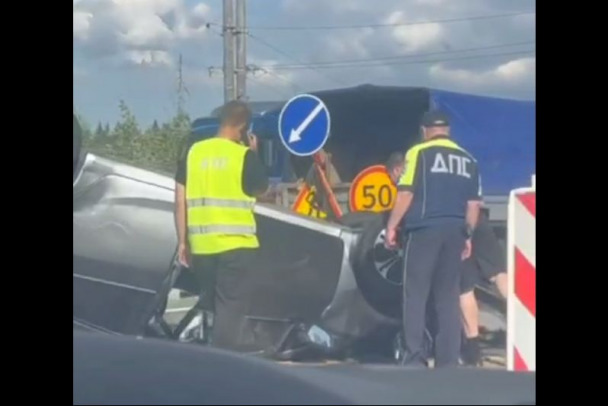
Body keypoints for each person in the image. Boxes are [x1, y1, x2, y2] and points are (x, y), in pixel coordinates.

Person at [385, 151, 506, 366]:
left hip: (453, 228)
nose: (394, 182)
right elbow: (473, 200)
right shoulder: (463, 162)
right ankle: (527, 325)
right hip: (476, 219)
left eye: (392, 178)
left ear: (396, 170)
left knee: (461, 288)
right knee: (498, 273)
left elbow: (409, 200)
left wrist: (392, 227)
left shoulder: (417, 171)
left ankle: (472, 349)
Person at [385, 110, 482, 368]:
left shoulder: (418, 153)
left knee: (415, 294)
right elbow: (473, 204)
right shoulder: (468, 159)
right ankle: (448, 360)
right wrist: (468, 235)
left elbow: (405, 192)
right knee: (448, 296)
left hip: (424, 230)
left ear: (425, 131)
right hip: (456, 232)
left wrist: (392, 226)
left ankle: (414, 356)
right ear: (448, 131)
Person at [174, 100, 269, 351]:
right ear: (242, 128)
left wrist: (183, 241)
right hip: (237, 246)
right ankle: (223, 365)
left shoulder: (194, 152)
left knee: (212, 306)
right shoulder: (243, 155)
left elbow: (180, 199)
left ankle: (209, 356)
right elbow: (261, 189)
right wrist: (254, 152)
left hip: (202, 247)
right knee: (231, 310)